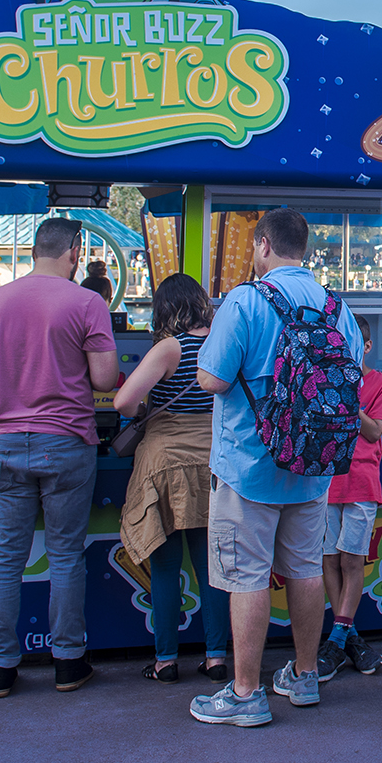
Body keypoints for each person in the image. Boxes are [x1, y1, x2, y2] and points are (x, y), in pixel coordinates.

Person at [189, 207, 363, 727]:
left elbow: (213, 381)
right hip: (312, 466)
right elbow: (352, 376)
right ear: (302, 248)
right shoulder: (335, 307)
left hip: (249, 466)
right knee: (307, 570)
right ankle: (305, 676)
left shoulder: (245, 300)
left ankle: (245, 693)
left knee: (248, 578)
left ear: (263, 244)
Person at [0, 217, 116, 698]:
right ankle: (68, 663)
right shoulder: (88, 303)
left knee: (5, 559)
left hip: (6, 442)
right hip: (67, 442)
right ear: (74, 252)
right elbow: (107, 379)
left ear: (33, 251)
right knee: (66, 555)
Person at [113, 273, 229, 685]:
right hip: (213, 461)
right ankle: (216, 658)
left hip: (165, 463)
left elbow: (124, 402)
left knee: (164, 566)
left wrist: (146, 412)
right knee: (209, 565)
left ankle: (165, 661)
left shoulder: (169, 347)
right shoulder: (220, 342)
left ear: (165, 308)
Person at [318, 314, 382, 680]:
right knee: (328, 561)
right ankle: (347, 638)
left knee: (351, 561)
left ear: (366, 346)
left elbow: (371, 433)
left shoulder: (381, 384)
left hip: (362, 483)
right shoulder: (321, 381)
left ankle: (335, 640)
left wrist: (347, 395)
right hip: (323, 483)